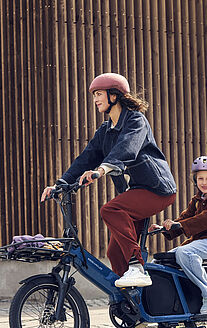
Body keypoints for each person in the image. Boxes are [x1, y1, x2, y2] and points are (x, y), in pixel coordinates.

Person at [41, 72, 177, 288]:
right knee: (114, 251)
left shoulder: (136, 120)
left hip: (158, 188)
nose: (95, 99)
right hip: (136, 191)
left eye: (99, 94)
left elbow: (128, 148)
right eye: (94, 95)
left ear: (114, 95)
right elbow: (86, 158)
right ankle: (133, 306)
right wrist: (59, 184)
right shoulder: (105, 131)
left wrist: (102, 170)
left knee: (110, 210)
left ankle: (137, 267)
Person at [149, 156, 207, 313]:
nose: (204, 182)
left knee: (184, 252)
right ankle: (168, 304)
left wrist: (180, 225)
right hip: (198, 243)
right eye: (200, 178)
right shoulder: (197, 200)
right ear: (195, 179)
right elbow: (185, 218)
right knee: (159, 262)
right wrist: (165, 227)